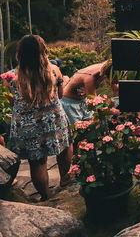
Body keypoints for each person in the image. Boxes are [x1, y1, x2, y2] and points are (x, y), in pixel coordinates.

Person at [5, 35, 73, 200]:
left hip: (28, 126)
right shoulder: (54, 71)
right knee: (65, 148)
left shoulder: (10, 78)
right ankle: (65, 182)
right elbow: (61, 94)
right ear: (43, 51)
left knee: (37, 162)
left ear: (20, 54)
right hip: (53, 120)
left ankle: (46, 196)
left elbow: (13, 101)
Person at [60, 60, 112, 124]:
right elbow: (94, 104)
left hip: (83, 101)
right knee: (77, 129)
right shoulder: (90, 78)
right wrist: (111, 110)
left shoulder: (107, 66)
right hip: (70, 104)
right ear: (106, 76)